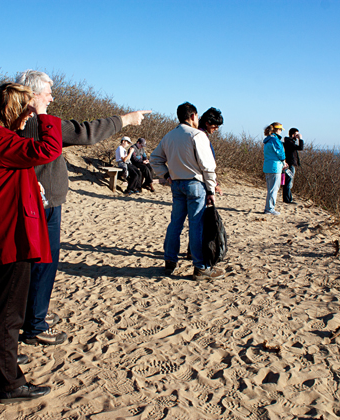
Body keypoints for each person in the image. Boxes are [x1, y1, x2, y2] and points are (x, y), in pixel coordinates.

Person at [15, 70, 150, 346]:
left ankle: (32, 315)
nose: (51, 98)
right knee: (43, 264)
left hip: (31, 201)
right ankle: (35, 325)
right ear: (33, 95)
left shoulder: (15, 121)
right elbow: (86, 132)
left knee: (31, 264)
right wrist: (125, 119)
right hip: (42, 203)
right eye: (47, 93)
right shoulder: (39, 123)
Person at [0, 83, 61, 402]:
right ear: (16, 110)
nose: (29, 118)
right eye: (27, 111)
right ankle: (8, 382)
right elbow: (48, 150)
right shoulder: (0, 140)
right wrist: (45, 116)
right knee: (9, 310)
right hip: (10, 234)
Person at [151, 102, 225, 281]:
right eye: (197, 116)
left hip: (176, 184)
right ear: (193, 116)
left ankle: (170, 261)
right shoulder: (198, 135)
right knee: (196, 225)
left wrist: (166, 175)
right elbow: (207, 166)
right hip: (195, 184)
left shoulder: (169, 136)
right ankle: (200, 268)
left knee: (175, 224)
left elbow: (154, 159)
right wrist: (211, 189)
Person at [262, 122, 288, 216]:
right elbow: (280, 153)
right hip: (275, 167)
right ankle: (270, 208)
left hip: (268, 166)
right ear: (277, 130)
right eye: (280, 130)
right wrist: (284, 161)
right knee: (274, 189)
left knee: (270, 189)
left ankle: (268, 208)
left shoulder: (268, 140)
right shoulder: (275, 140)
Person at [198, 107, 223, 195]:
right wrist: (213, 184)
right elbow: (206, 164)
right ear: (207, 123)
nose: (216, 129)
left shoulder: (199, 134)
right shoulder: (200, 137)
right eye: (215, 126)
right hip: (199, 181)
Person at [282, 127, 304, 204]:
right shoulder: (289, 142)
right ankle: (287, 199)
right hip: (290, 165)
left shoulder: (290, 142)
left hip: (290, 164)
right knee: (288, 182)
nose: (297, 136)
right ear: (293, 134)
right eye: (296, 134)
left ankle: (288, 198)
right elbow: (300, 147)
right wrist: (300, 139)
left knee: (289, 181)